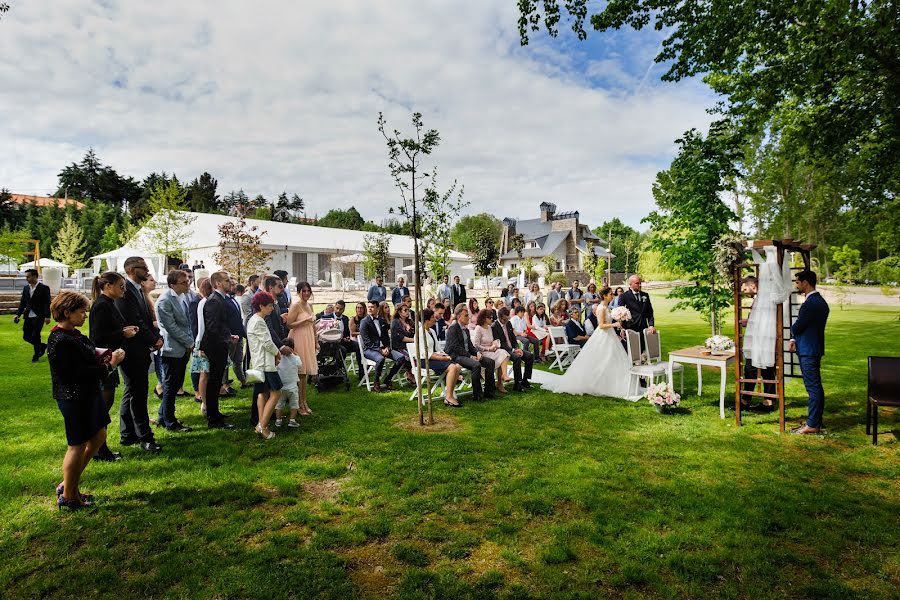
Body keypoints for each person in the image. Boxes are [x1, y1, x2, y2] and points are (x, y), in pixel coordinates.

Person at [48, 291, 126, 510]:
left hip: (89, 394)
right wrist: (110, 365)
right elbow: (77, 373)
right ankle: (69, 495)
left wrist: (104, 356)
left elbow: (88, 354)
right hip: (75, 398)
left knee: (99, 435)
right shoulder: (61, 340)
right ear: (67, 312)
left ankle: (68, 484)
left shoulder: (75, 335)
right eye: (81, 312)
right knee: (77, 445)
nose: (85, 316)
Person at [541, 287, 633, 398]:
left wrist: (619, 322)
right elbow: (601, 325)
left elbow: (608, 322)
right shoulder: (601, 308)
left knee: (612, 357)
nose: (612, 295)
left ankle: (613, 381)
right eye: (610, 294)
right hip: (603, 335)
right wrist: (614, 325)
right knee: (603, 357)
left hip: (611, 334)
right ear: (604, 295)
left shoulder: (607, 308)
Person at [116, 257, 164, 453]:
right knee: (138, 394)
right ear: (131, 270)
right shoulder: (126, 291)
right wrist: (153, 340)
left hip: (139, 348)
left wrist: (155, 336)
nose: (146, 270)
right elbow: (135, 321)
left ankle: (127, 433)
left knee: (131, 391)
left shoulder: (136, 289)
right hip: (132, 349)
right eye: (143, 268)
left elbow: (145, 318)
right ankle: (145, 437)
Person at [88, 271, 137, 462]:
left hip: (110, 359)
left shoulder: (108, 304)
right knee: (102, 408)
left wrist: (123, 331)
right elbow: (98, 338)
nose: (124, 290)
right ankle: (99, 449)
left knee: (104, 407)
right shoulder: (101, 306)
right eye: (121, 286)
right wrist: (122, 334)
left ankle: (101, 448)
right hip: (103, 361)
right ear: (108, 286)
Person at [790, 270, 830, 435]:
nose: (797, 285)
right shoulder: (820, 302)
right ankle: (814, 421)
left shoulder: (810, 304)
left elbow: (798, 326)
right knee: (815, 386)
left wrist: (793, 328)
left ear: (805, 282)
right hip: (813, 347)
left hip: (808, 350)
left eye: (798, 282)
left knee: (813, 387)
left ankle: (812, 424)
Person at [155, 269, 194, 433]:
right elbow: (170, 327)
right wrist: (189, 342)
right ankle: (170, 422)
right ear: (172, 284)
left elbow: (187, 322)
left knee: (176, 383)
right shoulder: (165, 301)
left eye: (188, 281)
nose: (188, 284)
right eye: (183, 282)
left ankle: (162, 417)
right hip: (171, 349)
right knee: (171, 386)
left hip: (182, 348)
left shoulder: (183, 296)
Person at [200, 271, 237, 429]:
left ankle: (215, 413)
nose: (231, 283)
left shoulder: (221, 299)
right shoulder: (214, 300)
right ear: (218, 284)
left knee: (216, 382)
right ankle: (213, 417)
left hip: (220, 344)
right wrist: (227, 338)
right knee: (214, 382)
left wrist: (229, 335)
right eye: (227, 281)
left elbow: (222, 325)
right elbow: (213, 327)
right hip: (214, 346)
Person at [444, 305, 497, 401]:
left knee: (490, 362)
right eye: (466, 316)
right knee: (476, 365)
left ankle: (489, 392)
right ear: (459, 317)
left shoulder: (466, 329)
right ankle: (477, 395)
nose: (469, 317)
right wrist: (470, 356)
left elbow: (471, 346)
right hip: (456, 356)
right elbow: (455, 347)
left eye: (468, 315)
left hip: (466, 354)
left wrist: (477, 353)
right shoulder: (453, 328)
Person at [246, 291, 280, 439]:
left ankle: (262, 426)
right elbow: (267, 343)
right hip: (265, 364)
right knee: (276, 392)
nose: (272, 308)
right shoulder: (258, 321)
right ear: (261, 306)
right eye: (270, 306)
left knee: (262, 394)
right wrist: (277, 353)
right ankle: (261, 425)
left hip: (260, 363)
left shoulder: (255, 320)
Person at [739, 276, 776, 412]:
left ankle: (749, 401)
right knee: (765, 370)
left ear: (753, 286)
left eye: (745, 289)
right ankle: (767, 402)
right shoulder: (761, 299)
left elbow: (763, 321)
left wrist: (747, 323)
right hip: (761, 341)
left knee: (753, 370)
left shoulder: (763, 300)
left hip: (761, 341)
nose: (744, 292)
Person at [416, 308, 463, 407]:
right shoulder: (420, 333)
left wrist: (445, 355)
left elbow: (437, 348)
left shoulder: (432, 331)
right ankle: (449, 397)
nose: (434, 319)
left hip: (434, 358)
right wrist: (442, 358)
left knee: (457, 366)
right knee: (452, 367)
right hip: (425, 361)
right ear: (426, 320)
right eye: (432, 317)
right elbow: (426, 354)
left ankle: (449, 393)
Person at [359, 300, 407, 392]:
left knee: (401, 358)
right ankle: (376, 382)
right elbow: (367, 342)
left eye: (372, 307)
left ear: (377, 308)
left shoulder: (381, 320)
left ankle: (388, 379)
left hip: (384, 348)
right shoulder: (364, 322)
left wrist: (387, 347)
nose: (369, 308)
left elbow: (386, 338)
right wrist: (380, 350)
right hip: (370, 349)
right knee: (380, 359)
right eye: (368, 307)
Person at [286, 282, 317, 413]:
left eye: (308, 291)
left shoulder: (309, 305)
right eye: (303, 291)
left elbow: (313, 325)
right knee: (300, 372)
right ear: (299, 292)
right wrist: (304, 321)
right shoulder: (295, 305)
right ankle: (298, 404)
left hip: (308, 337)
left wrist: (316, 340)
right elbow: (289, 324)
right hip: (298, 338)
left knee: (304, 374)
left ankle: (304, 401)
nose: (306, 293)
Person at [493, 307, 534, 391]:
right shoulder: (495, 327)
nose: (506, 321)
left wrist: (517, 348)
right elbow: (500, 344)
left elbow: (513, 338)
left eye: (507, 319)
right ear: (500, 317)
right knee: (517, 358)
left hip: (512, 348)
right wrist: (513, 350)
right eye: (504, 319)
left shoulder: (508, 323)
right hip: (503, 350)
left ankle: (525, 380)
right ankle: (517, 384)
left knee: (529, 356)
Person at [14, 268, 51, 363]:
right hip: (28, 315)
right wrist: (18, 314)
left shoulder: (44, 288)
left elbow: (47, 303)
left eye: (28, 277)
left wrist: (47, 316)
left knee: (35, 336)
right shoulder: (26, 288)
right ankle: (42, 346)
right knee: (26, 336)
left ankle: (36, 356)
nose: (26, 279)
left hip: (39, 316)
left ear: (35, 276)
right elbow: (23, 302)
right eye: (26, 277)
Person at [190, 277, 212, 411]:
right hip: (203, 341)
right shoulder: (203, 302)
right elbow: (199, 325)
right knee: (204, 374)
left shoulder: (207, 302)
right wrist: (200, 345)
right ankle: (204, 402)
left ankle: (207, 402)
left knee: (208, 374)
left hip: (204, 341)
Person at [617, 275, 656, 350]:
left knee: (643, 349)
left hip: (643, 326)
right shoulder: (624, 296)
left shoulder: (645, 295)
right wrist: (622, 328)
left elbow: (650, 312)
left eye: (640, 283)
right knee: (632, 350)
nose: (640, 285)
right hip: (631, 327)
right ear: (630, 284)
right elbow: (620, 313)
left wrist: (651, 325)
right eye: (637, 283)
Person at [274, 337, 302, 426]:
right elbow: (300, 366)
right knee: (294, 404)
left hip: (281, 386)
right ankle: (292, 420)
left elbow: (275, 366)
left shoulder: (278, 358)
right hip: (292, 386)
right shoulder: (296, 358)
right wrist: (296, 354)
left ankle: (278, 420)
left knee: (279, 404)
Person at [225, 277, 247, 390]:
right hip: (230, 336)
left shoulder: (234, 299)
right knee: (227, 361)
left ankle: (243, 381)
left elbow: (239, 318)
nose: (233, 286)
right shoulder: (224, 300)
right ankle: (225, 385)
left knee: (238, 360)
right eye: (231, 284)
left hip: (239, 334)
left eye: (234, 284)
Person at [390, 303, 417, 386]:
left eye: (408, 309)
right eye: (405, 310)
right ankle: (411, 374)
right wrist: (415, 340)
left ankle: (411, 373)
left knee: (418, 355)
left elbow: (415, 332)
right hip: (398, 347)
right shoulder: (395, 322)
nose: (407, 312)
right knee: (409, 357)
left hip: (409, 346)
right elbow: (401, 338)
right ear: (399, 312)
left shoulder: (409, 321)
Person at [333, 300, 359, 371]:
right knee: (343, 350)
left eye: (341, 309)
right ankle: (338, 369)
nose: (338, 310)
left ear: (344, 309)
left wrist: (347, 338)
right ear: (334, 307)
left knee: (358, 345)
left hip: (343, 342)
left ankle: (362, 370)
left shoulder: (345, 318)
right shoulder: (327, 317)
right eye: (337, 308)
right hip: (332, 343)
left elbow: (347, 333)